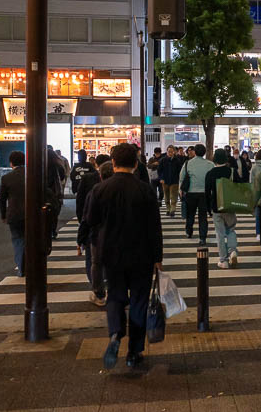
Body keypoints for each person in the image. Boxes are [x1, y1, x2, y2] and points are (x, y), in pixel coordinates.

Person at [88, 143, 163, 370]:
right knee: (139, 300)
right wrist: (157, 257)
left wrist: (95, 247)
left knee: (115, 296)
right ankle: (134, 351)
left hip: (111, 254)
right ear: (136, 163)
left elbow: (91, 222)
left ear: (113, 163)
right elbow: (154, 227)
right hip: (141, 254)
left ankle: (115, 335)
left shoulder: (100, 190)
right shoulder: (145, 190)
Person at [76, 154, 111, 306]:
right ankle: (113, 290)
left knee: (94, 262)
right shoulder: (127, 187)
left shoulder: (94, 189)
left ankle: (99, 292)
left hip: (96, 231)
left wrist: (81, 236)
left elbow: (84, 213)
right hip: (117, 233)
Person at [205, 149, 239, 268]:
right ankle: (233, 250)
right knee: (231, 229)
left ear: (214, 159)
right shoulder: (232, 172)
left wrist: (208, 209)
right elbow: (239, 187)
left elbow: (207, 192)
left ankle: (223, 260)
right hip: (229, 205)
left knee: (220, 234)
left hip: (216, 207)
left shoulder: (210, 173)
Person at [179, 144, 214, 244]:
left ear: (195, 152)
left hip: (191, 193)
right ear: (204, 152)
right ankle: (202, 237)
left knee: (190, 214)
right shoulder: (210, 164)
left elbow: (181, 177)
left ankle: (189, 231)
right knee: (203, 216)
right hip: (204, 194)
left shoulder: (188, 163)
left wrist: (181, 191)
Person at [0, 151, 26, 277]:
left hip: (14, 214)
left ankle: (22, 268)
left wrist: (3, 215)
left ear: (11, 163)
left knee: (18, 240)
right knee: (31, 240)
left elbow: (2, 199)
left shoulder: (6, 178)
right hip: (31, 214)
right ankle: (32, 265)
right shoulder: (33, 175)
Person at [158, 145, 183, 217]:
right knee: (166, 196)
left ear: (174, 152)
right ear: (167, 152)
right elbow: (159, 170)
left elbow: (179, 171)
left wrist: (179, 179)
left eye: (171, 152)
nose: (170, 153)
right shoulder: (163, 160)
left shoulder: (177, 160)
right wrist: (161, 178)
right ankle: (168, 209)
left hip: (174, 181)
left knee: (173, 196)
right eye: (169, 151)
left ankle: (172, 210)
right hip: (165, 181)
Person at [46, 147, 65, 241]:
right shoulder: (57, 165)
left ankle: (46, 230)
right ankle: (53, 230)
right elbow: (62, 176)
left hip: (43, 192)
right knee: (54, 213)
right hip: (54, 193)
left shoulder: (40, 165)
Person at [250, 149, 261, 241]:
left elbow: (252, 183)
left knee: (258, 215)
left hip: (257, 195)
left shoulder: (254, 168)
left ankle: (259, 233)